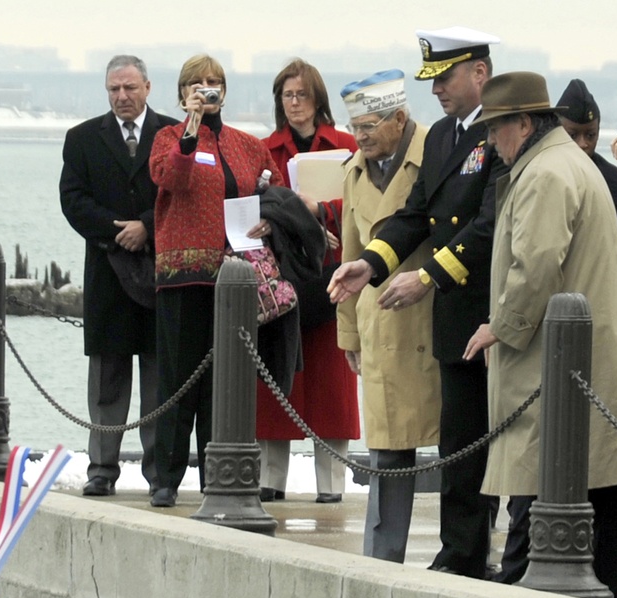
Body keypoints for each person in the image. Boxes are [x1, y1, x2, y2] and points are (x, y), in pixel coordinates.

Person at [463, 71, 617, 598]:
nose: (491, 142)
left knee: (553, 492)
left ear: (524, 123)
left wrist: (501, 325)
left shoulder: (544, 173)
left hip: (563, 367)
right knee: (602, 500)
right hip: (588, 361)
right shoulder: (560, 161)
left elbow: (536, 264)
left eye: (497, 129)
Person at [327, 27, 506, 579]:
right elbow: (415, 213)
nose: (436, 91)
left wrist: (427, 276)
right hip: (452, 316)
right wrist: (372, 266)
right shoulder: (448, 137)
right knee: (459, 443)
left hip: (484, 309)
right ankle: (461, 552)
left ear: (480, 72)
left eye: (445, 78)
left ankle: (471, 552)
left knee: (485, 445)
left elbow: (487, 225)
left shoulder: (499, 132)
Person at [148, 54, 283, 508]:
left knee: (222, 384)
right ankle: (164, 478)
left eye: (213, 82)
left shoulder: (247, 144)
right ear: (182, 91)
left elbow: (275, 192)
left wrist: (270, 221)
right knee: (177, 379)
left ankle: (216, 475)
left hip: (235, 281)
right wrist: (190, 125)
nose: (207, 89)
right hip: (184, 277)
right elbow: (171, 177)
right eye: (197, 83)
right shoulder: (168, 137)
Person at [59, 55, 177, 498]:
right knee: (107, 380)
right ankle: (102, 470)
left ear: (147, 87)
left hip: (157, 269)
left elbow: (181, 195)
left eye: (129, 88)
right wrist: (118, 232)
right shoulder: (83, 138)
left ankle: (159, 475)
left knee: (157, 378)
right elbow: (73, 200)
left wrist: (146, 225)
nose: (122, 97)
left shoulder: (170, 134)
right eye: (114, 90)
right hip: (108, 271)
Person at [336, 69, 440, 563]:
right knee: (387, 446)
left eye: (369, 127)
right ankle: (382, 555)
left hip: (431, 317)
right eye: (354, 127)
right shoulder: (354, 171)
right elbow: (351, 256)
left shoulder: (435, 156)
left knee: (457, 441)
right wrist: (348, 333)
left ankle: (465, 551)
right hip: (379, 321)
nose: (360, 137)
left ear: (400, 118)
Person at [256, 58, 360, 504]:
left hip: (333, 274)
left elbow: (362, 200)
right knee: (277, 378)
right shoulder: (263, 149)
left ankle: (331, 486)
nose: (295, 103)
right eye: (287, 95)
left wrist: (322, 211)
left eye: (301, 94)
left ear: (317, 98)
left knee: (332, 385)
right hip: (283, 279)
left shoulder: (346, 146)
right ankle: (270, 481)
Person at [556, 79, 617, 337]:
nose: (583, 144)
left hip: (601, 319)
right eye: (572, 135)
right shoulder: (537, 178)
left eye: (591, 135)